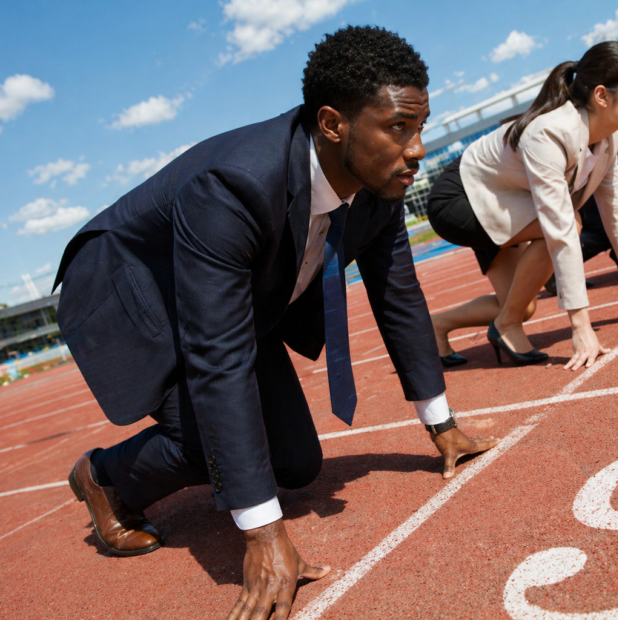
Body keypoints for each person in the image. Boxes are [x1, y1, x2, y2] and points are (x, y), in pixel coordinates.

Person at [55, 26, 498, 620]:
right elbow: (218, 358)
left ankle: (206, 470)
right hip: (136, 290)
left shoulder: (378, 182)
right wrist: (262, 535)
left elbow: (398, 295)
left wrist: (441, 425)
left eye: (419, 127)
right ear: (334, 124)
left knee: (294, 466)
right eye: (398, 128)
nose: (417, 148)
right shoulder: (232, 185)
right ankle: (104, 476)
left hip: (237, 299)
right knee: (206, 441)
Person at [427, 41, 618, 370]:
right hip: (460, 198)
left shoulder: (610, 136)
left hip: (502, 198)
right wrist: (580, 326)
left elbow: (616, 211)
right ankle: (506, 327)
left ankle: (437, 326)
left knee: (518, 305)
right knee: (565, 226)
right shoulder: (548, 133)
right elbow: (558, 228)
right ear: (602, 96)